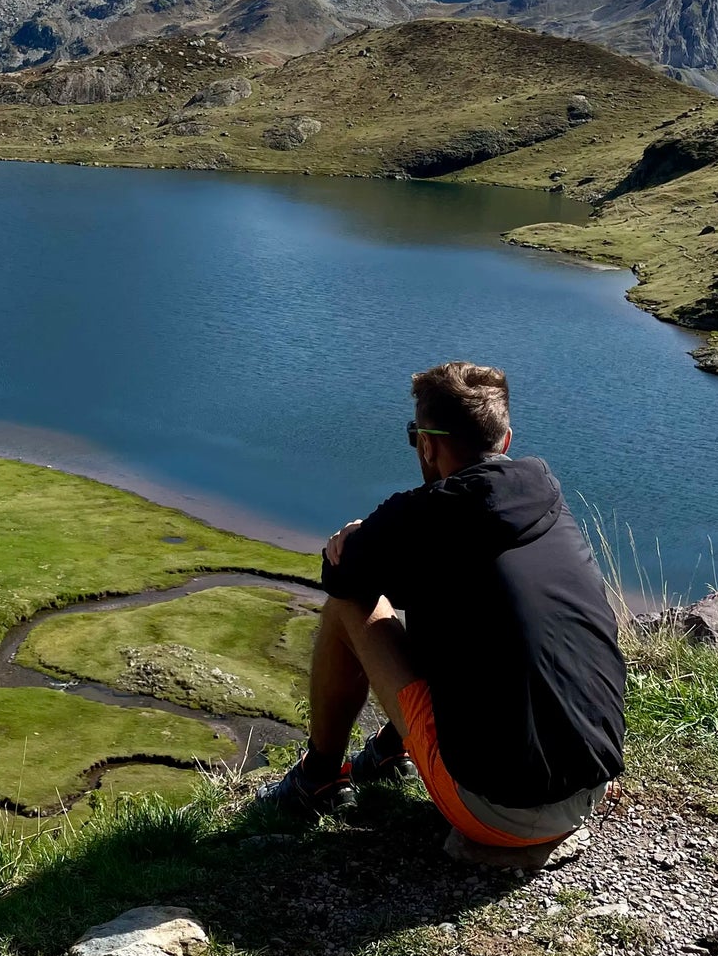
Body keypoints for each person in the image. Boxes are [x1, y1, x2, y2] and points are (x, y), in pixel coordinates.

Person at [260, 361, 626, 859]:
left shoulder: (419, 518)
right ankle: (391, 752)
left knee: (349, 607)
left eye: (415, 435)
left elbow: (341, 581)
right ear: (506, 439)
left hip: (500, 815)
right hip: (591, 785)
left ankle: (318, 780)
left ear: (428, 444)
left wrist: (351, 537)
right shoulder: (547, 500)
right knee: (472, 614)